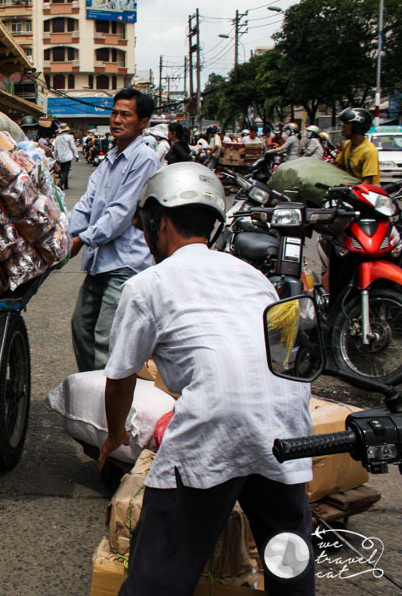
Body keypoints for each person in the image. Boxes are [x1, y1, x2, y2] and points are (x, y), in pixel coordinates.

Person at [99, 163, 313, 595]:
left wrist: (115, 434)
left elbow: (120, 378)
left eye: (146, 225)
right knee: (287, 550)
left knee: (163, 562)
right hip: (286, 420)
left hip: (215, 422)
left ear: (158, 221)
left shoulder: (148, 285)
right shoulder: (254, 277)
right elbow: (280, 351)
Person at [68, 88, 161, 373]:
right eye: (114, 113)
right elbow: (86, 204)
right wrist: (61, 234)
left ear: (143, 122)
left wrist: (82, 238)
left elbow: (121, 214)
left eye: (125, 114)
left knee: (104, 339)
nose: (116, 120)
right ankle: (92, 389)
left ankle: (106, 408)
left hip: (125, 263)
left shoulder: (144, 159)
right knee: (81, 328)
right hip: (101, 262)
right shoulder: (109, 159)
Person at [335, 107, 379, 184]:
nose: (342, 126)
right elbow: (340, 167)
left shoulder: (369, 151)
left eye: (346, 123)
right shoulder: (347, 144)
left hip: (367, 192)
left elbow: (368, 181)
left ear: (356, 126)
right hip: (351, 189)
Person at [52, 122, 78, 190]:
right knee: (65, 171)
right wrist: (76, 155)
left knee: (63, 171)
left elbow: (55, 148)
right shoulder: (69, 137)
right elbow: (73, 147)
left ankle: (66, 185)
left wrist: (55, 157)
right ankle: (60, 183)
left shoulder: (57, 138)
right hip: (67, 157)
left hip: (60, 157)